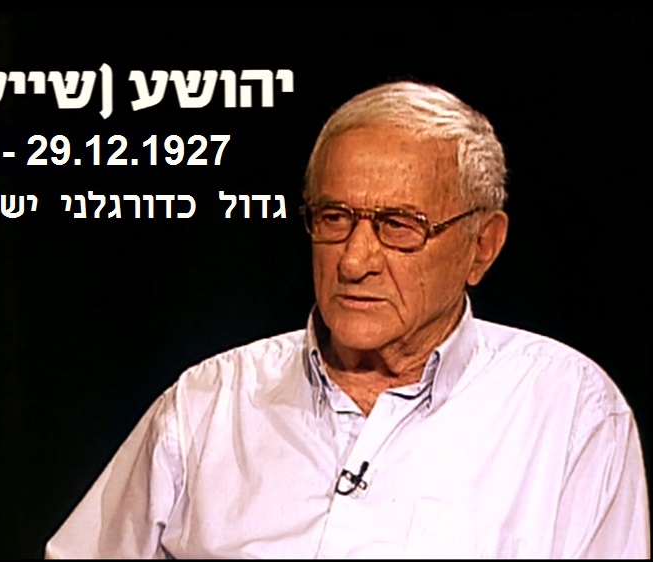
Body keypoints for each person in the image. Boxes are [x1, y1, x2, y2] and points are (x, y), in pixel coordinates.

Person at [44, 81, 650, 558]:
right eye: (334, 218)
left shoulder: (570, 411)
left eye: (399, 226)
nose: (355, 261)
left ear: (482, 246)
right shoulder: (206, 405)